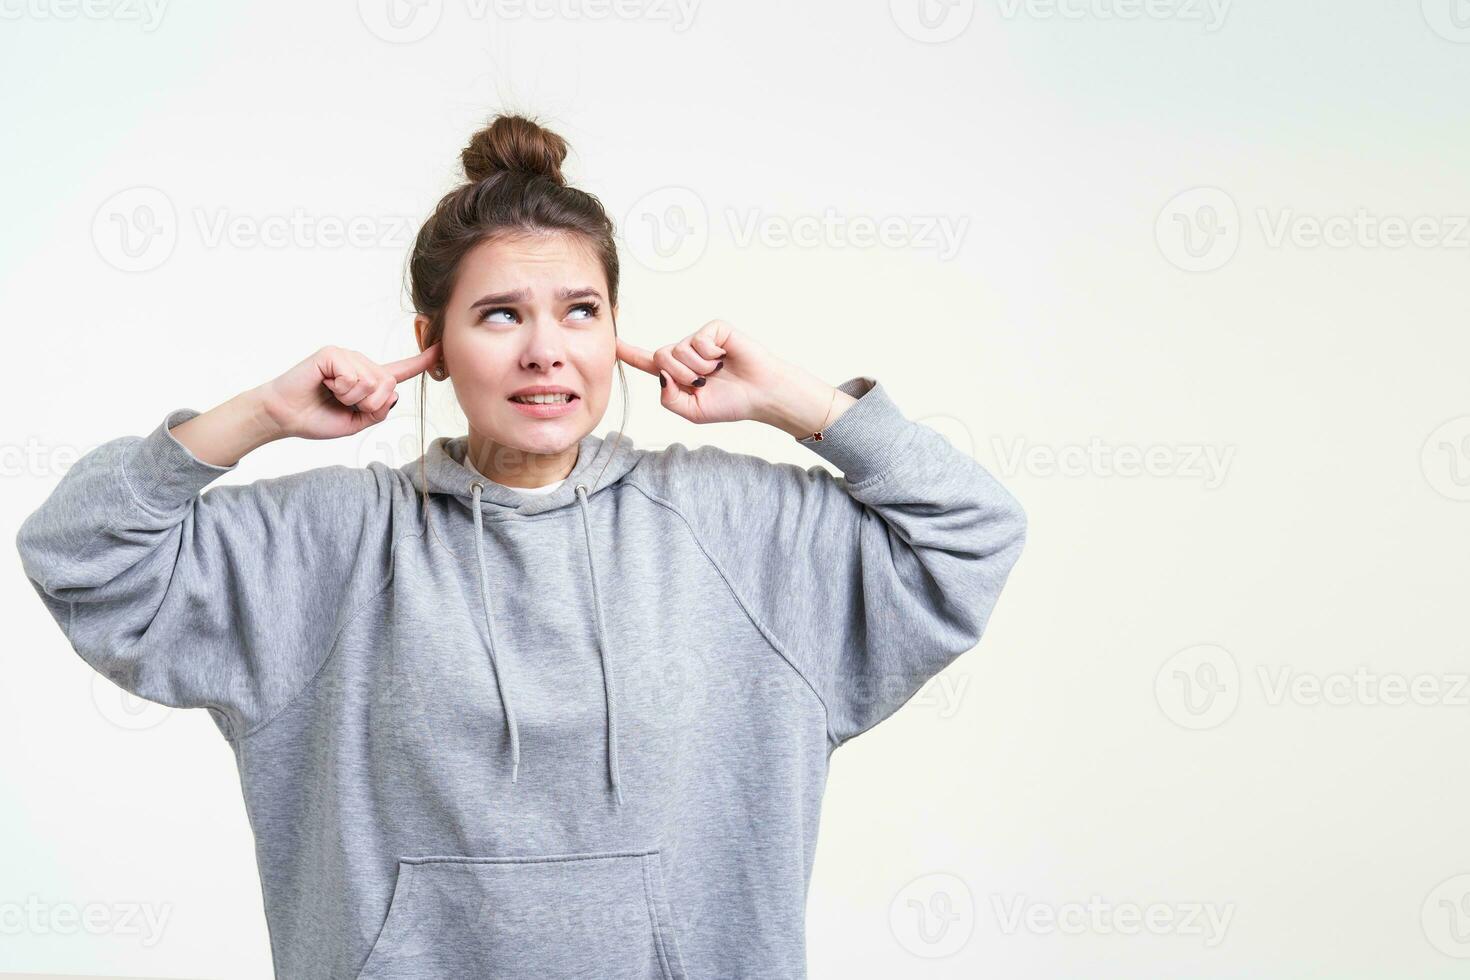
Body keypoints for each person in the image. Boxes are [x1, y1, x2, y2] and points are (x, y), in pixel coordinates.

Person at [14, 113, 1029, 979]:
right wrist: (262, 414)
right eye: (500, 314)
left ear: (616, 331)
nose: (546, 349)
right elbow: (81, 554)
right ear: (434, 343)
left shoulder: (736, 527)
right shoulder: (333, 543)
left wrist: (793, 401)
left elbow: (968, 534)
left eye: (580, 312)